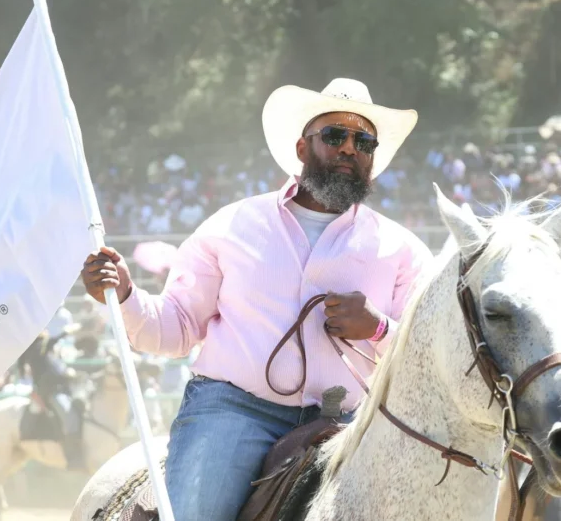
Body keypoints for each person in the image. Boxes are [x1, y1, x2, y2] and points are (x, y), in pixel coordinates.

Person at [80, 78, 431, 521]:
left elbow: (422, 360)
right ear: (302, 149)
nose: (349, 149)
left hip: (353, 423)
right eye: (334, 136)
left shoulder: (403, 250)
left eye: (363, 140)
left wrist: (377, 328)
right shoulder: (230, 226)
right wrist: (127, 295)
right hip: (234, 410)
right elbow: (176, 329)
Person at [18, 323, 83, 469]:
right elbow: (49, 343)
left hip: (63, 388)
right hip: (51, 391)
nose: (45, 330)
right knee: (69, 417)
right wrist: (65, 332)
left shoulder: (45, 351)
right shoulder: (36, 349)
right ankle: (73, 457)